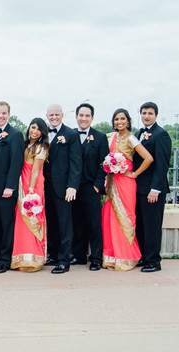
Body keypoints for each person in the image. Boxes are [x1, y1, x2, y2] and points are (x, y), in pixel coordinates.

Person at [102, 109, 153, 271]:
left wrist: (134, 174)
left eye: (122, 119)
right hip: (111, 182)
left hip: (125, 183)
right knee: (109, 217)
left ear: (128, 121)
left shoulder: (131, 138)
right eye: (116, 119)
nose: (119, 122)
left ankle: (126, 257)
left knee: (126, 218)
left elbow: (148, 158)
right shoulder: (110, 137)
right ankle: (111, 257)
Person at [0, 102, 24, 274]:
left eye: (4, 113)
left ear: (8, 114)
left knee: (7, 224)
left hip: (7, 189)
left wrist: (10, 186)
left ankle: (6, 260)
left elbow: (17, 162)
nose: (0, 115)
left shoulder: (15, 135)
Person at [43, 104, 82, 274]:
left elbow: (76, 163)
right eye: (51, 115)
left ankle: (64, 260)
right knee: (51, 222)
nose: (53, 117)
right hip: (45, 187)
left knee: (65, 224)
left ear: (62, 115)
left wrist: (72, 186)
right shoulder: (43, 134)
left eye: (56, 114)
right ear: (47, 116)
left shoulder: (71, 135)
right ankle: (53, 254)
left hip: (64, 187)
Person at [135, 102, 172, 273]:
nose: (146, 116)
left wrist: (155, 189)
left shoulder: (161, 135)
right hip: (139, 188)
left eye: (150, 113)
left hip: (152, 190)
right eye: (144, 113)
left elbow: (162, 164)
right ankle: (144, 256)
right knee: (141, 225)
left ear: (156, 115)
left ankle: (154, 261)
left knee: (152, 225)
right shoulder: (138, 133)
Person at [71, 103, 108, 271]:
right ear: (76, 116)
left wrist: (97, 186)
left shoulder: (100, 137)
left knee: (94, 224)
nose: (83, 118)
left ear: (92, 118)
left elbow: (104, 164)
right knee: (77, 223)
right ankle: (79, 256)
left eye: (87, 116)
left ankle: (96, 258)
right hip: (72, 188)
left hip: (91, 187)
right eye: (81, 115)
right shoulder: (70, 135)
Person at [10, 118, 49, 272]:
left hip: (32, 185)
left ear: (42, 133)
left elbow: (36, 170)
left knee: (31, 217)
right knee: (21, 219)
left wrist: (31, 189)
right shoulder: (26, 144)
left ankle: (33, 257)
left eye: (38, 129)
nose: (34, 131)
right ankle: (20, 256)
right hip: (21, 183)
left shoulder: (41, 147)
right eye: (32, 127)